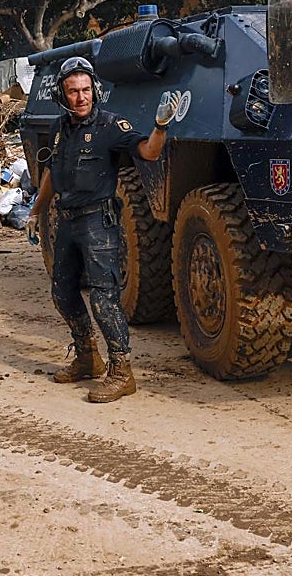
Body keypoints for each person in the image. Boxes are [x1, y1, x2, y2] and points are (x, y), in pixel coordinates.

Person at [26, 56, 178, 403]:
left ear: (95, 91)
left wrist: (160, 127)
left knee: (103, 299)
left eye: (86, 90)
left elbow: (149, 153)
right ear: (62, 96)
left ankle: (122, 372)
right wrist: (36, 212)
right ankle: (87, 357)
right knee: (62, 293)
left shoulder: (112, 125)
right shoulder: (60, 128)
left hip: (98, 223)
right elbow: (51, 172)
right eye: (73, 92)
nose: (81, 97)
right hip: (66, 220)